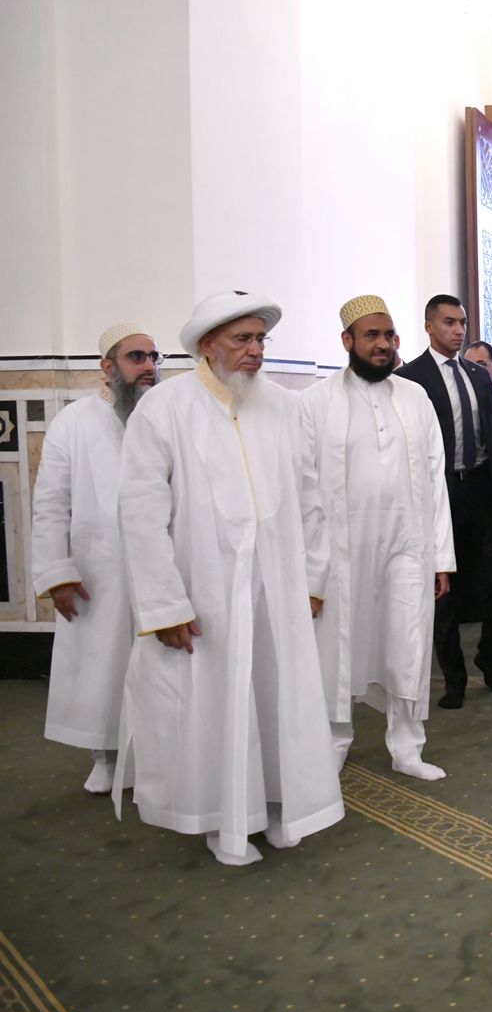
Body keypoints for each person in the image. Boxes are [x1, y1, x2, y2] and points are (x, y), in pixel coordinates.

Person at [117, 291, 344, 866]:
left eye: (261, 339)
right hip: (205, 592)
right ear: (207, 344)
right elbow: (140, 514)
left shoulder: (285, 406)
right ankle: (226, 823)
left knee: (279, 695)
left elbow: (312, 499)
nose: (255, 350)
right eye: (242, 339)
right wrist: (164, 604)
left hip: (278, 587)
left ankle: (281, 807)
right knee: (217, 704)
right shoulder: (164, 408)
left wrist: (312, 579)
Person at [300, 295, 455, 781]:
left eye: (389, 335)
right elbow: (304, 490)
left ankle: (408, 747)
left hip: (407, 547)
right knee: (338, 649)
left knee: (408, 642)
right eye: (372, 336)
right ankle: (332, 744)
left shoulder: (415, 397)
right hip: (341, 552)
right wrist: (310, 571)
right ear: (347, 340)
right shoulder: (315, 402)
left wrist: (441, 557)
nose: (383, 344)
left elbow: (435, 476)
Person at [31, 322, 161, 793]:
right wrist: (57, 573)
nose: (149, 366)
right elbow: (49, 503)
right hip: (98, 570)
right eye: (136, 357)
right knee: (103, 666)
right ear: (107, 366)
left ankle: (159, 758)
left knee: (161, 665)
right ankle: (104, 756)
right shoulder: (74, 422)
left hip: (162, 566)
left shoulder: (167, 416)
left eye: (154, 357)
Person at [396, 295, 492, 707]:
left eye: (462, 322)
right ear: (429, 326)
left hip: (483, 488)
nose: (458, 330)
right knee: (444, 588)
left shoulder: (478, 376)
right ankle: (454, 679)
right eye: (448, 322)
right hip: (440, 492)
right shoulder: (409, 379)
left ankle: (489, 660)